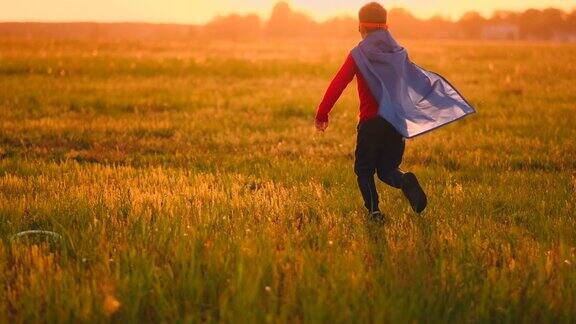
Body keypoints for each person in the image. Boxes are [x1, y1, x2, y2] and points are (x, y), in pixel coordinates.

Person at [315, 2, 475, 221]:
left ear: (361, 27)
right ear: (386, 27)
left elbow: (338, 83)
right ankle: (404, 180)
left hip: (371, 122)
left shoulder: (358, 54)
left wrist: (322, 113)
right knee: (388, 169)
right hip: (395, 121)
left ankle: (374, 212)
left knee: (364, 169)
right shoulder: (399, 52)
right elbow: (415, 80)